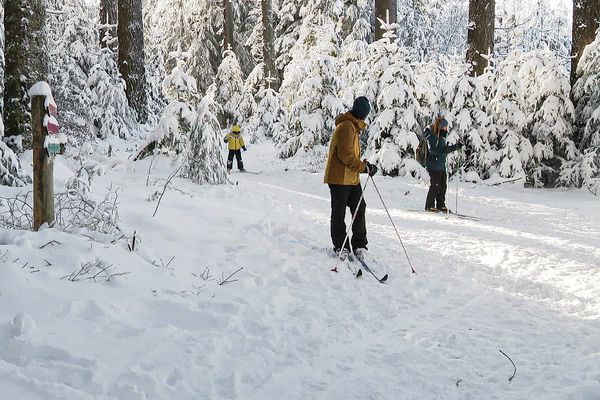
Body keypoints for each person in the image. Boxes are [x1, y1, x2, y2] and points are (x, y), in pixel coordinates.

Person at [324, 96, 377, 260]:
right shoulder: (347, 126)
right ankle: (341, 245)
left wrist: (363, 164)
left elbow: (350, 154)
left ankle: (360, 245)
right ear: (363, 114)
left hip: (351, 178)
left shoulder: (353, 126)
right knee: (339, 213)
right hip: (339, 178)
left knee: (359, 209)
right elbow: (346, 156)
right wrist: (363, 167)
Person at [424, 117, 463, 213]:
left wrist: (455, 147)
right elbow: (433, 150)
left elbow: (443, 149)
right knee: (435, 186)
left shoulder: (441, 137)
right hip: (433, 165)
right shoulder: (432, 136)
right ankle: (429, 206)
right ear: (440, 127)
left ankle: (441, 205)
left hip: (441, 165)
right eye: (445, 127)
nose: (446, 129)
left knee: (442, 186)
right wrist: (443, 151)